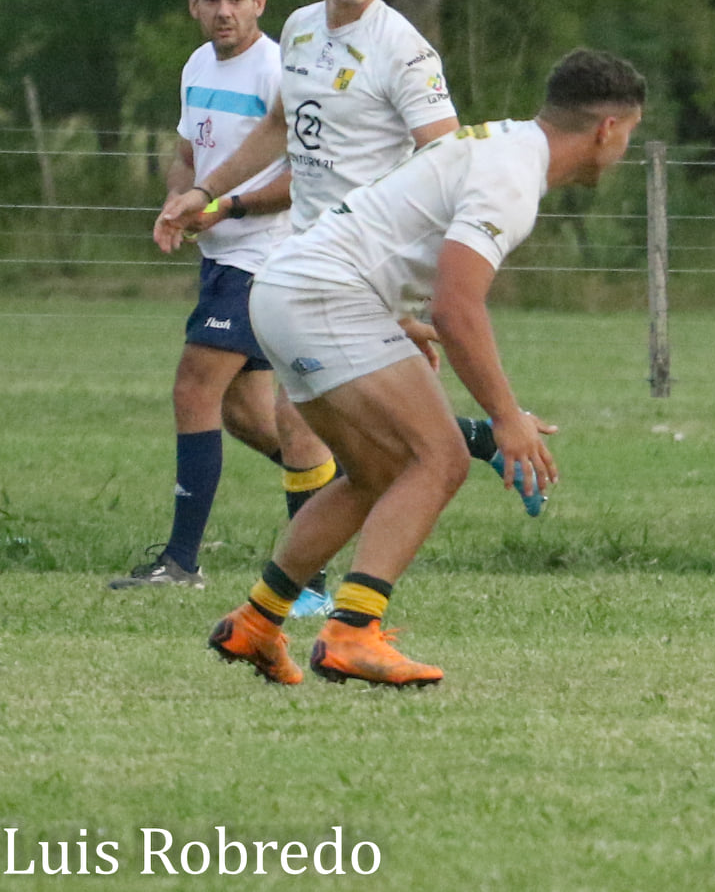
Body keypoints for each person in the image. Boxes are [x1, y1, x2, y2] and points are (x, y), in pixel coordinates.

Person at [209, 48, 644, 686]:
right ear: (607, 128)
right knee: (437, 458)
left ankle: (256, 622)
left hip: (290, 289)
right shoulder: (514, 180)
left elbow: (396, 232)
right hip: (324, 296)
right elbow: (459, 307)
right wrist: (506, 419)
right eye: (629, 135)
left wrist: (395, 315)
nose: (625, 150)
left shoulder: (502, 144)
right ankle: (352, 633)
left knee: (375, 472)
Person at [156, 0, 518, 511]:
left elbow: (450, 162)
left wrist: (429, 269)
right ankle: (474, 439)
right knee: (324, 416)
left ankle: (310, 588)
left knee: (300, 417)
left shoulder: (404, 51)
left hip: (370, 253)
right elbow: (279, 125)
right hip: (305, 248)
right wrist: (203, 190)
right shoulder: (299, 27)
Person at [107, 0, 327, 604]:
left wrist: (220, 204)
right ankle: (344, 487)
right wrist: (179, 198)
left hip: (263, 257)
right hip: (221, 255)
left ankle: (181, 560)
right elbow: (185, 154)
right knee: (246, 414)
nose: (224, 11)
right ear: (193, 5)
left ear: (260, 2)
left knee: (192, 388)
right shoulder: (198, 64)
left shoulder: (276, 72)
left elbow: (302, 178)